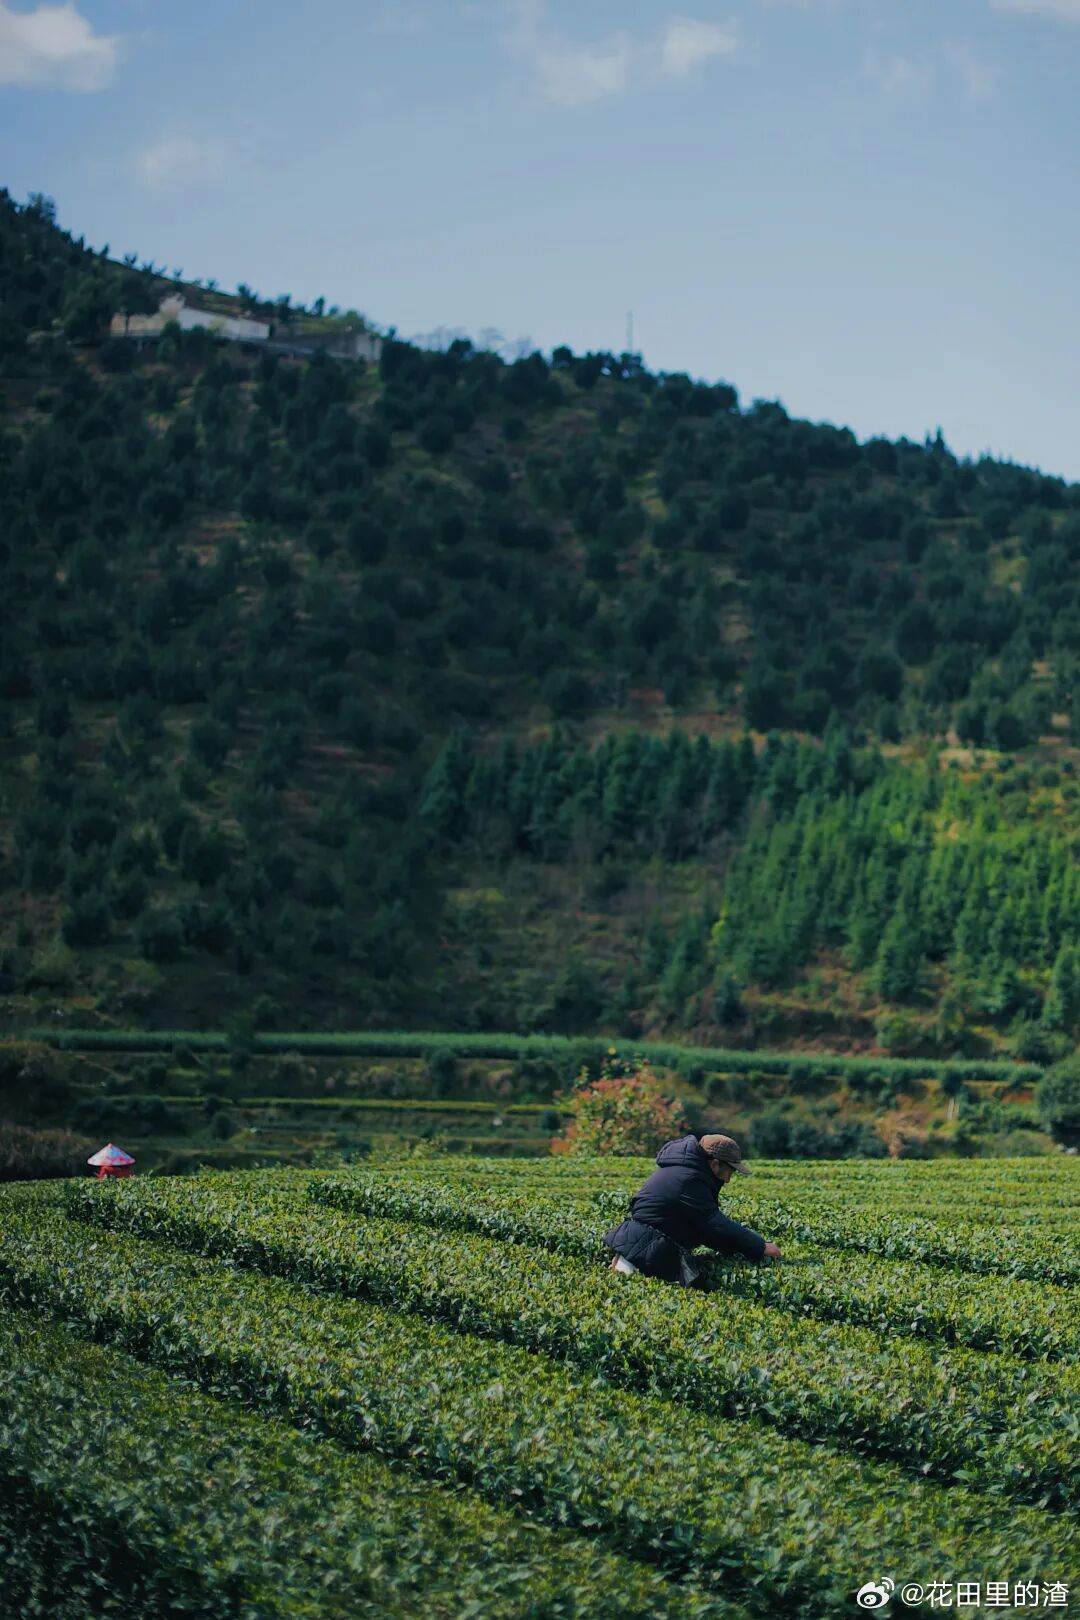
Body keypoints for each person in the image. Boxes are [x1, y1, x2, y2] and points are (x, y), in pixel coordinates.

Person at [603, 1132, 781, 1286]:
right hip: (650, 1246)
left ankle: (625, 1260)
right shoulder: (690, 1180)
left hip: (642, 1238)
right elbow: (716, 1224)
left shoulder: (684, 1171)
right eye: (730, 1172)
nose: (728, 1180)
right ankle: (626, 1263)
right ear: (714, 1164)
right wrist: (760, 1246)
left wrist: (741, 1249)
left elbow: (707, 1231)